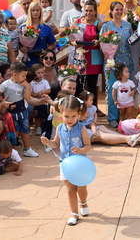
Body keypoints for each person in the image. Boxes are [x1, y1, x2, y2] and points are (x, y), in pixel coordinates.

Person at [40, 96, 91, 226]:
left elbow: (88, 146)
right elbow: (56, 144)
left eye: (73, 116)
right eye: (66, 116)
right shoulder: (60, 128)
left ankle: (83, 202)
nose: (70, 119)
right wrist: (48, 143)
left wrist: (81, 150)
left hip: (79, 164)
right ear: (61, 113)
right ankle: (74, 214)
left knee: (81, 187)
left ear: (78, 114)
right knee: (70, 188)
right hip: (65, 163)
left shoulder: (82, 129)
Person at [100, 1, 134, 128]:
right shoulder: (106, 26)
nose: (119, 12)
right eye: (116, 10)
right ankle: (113, 118)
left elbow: (131, 41)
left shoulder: (128, 25)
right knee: (112, 89)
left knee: (125, 90)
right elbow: (102, 43)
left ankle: (125, 118)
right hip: (111, 62)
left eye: (121, 9)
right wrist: (109, 56)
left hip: (126, 61)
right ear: (111, 11)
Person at [0, 62, 39, 157]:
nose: (25, 78)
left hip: (22, 110)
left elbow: (27, 97)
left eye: (25, 76)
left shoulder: (24, 84)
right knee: (13, 131)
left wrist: (27, 86)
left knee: (25, 129)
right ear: (14, 74)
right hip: (11, 111)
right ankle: (13, 151)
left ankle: (27, 149)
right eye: (23, 76)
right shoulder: (5, 84)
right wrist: (4, 103)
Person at [74, 0, 103, 106]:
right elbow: (72, 37)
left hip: (94, 57)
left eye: (91, 10)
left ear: (95, 11)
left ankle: (93, 108)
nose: (88, 13)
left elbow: (104, 40)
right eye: (86, 10)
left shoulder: (99, 24)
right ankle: (79, 107)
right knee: (79, 83)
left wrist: (98, 41)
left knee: (91, 84)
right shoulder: (78, 22)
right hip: (81, 56)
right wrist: (74, 42)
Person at [18, 2, 56, 67]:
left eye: (37, 10)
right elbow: (18, 43)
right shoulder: (23, 27)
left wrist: (45, 51)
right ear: (30, 12)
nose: (35, 12)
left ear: (40, 12)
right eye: (33, 10)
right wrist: (22, 49)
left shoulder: (46, 27)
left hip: (42, 60)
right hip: (28, 60)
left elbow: (53, 44)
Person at [29, 63, 52, 135]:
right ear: (33, 73)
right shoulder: (31, 83)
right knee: (36, 114)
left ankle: (43, 127)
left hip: (43, 102)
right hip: (34, 101)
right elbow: (30, 92)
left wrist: (42, 92)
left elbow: (49, 90)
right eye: (38, 73)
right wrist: (35, 94)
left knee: (43, 114)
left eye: (42, 72)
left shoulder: (44, 81)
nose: (41, 74)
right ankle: (37, 126)